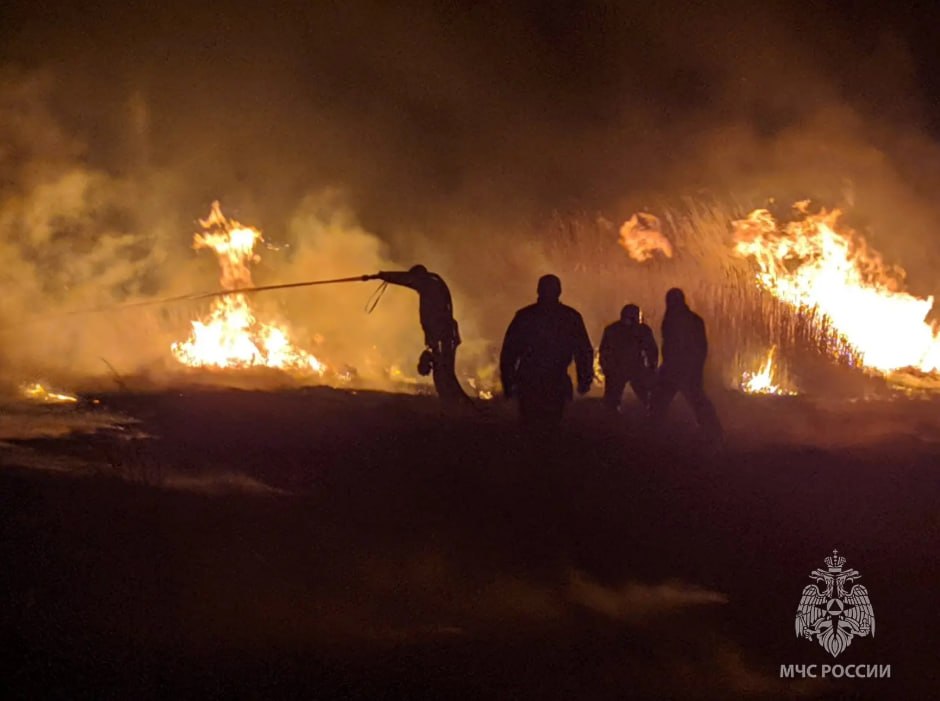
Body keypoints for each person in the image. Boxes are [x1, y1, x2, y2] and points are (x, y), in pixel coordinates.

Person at [500, 274, 594, 431]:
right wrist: (584, 379)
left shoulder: (525, 316)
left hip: (531, 381)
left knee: (530, 427)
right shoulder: (570, 317)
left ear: (538, 290)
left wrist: (508, 382)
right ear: (560, 291)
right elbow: (583, 351)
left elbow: (509, 352)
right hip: (552, 380)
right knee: (551, 426)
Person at [364, 265, 468, 402]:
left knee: (443, 371)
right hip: (443, 336)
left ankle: (454, 401)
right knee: (443, 370)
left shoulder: (429, 284)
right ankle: (453, 401)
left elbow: (406, 279)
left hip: (443, 336)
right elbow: (407, 279)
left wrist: (382, 275)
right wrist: (380, 275)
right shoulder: (433, 282)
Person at [649, 288, 722, 440]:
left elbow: (693, 347)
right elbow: (700, 347)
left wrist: (686, 366)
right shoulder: (689, 319)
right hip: (681, 368)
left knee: (666, 400)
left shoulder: (675, 319)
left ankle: (712, 430)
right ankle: (712, 429)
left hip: (679, 368)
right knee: (694, 400)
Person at [599, 304, 658, 412]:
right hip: (629, 367)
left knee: (613, 401)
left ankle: (611, 420)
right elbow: (651, 350)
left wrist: (606, 367)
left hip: (623, 368)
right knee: (647, 398)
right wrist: (652, 367)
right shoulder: (642, 330)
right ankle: (652, 417)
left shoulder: (612, 330)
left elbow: (604, 351)